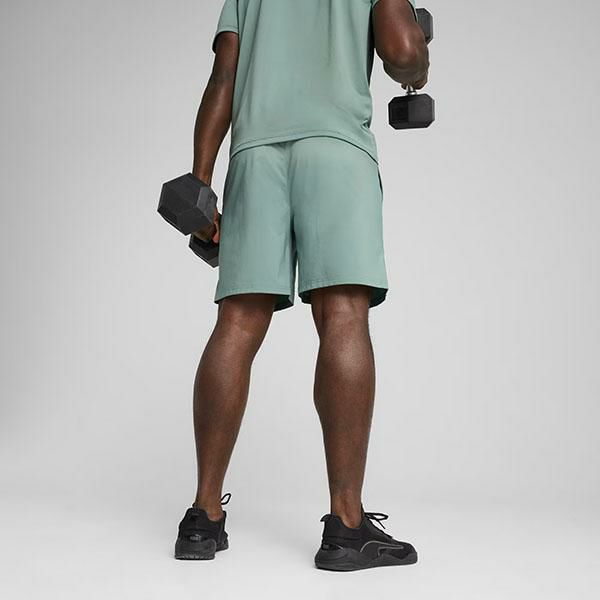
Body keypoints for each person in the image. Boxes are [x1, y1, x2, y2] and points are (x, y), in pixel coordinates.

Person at [173, 0, 429, 571]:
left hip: (255, 155)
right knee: (343, 318)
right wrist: (420, 54)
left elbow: (223, 77)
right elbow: (402, 53)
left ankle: (202, 517)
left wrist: (200, 185)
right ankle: (346, 527)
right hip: (336, 150)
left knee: (236, 323)